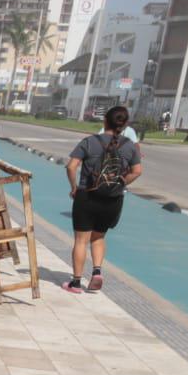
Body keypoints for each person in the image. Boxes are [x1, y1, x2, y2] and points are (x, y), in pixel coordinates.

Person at [63, 105, 142, 294]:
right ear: (124, 125)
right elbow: (137, 171)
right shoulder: (129, 146)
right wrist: (121, 181)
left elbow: (71, 166)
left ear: (105, 121)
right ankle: (97, 271)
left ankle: (75, 283)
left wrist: (74, 187)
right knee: (98, 237)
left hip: (87, 196)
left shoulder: (89, 142)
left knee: (81, 240)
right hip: (113, 200)